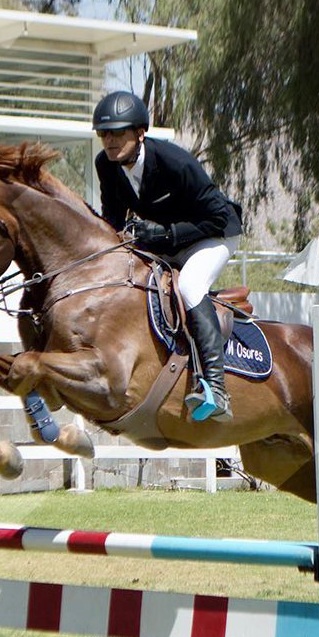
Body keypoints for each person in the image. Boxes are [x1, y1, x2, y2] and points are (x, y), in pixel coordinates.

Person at [93, 91, 242, 422]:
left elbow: (217, 217)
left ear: (140, 133)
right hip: (167, 240)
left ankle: (216, 388)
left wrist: (165, 235)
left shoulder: (174, 162)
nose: (110, 141)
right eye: (104, 134)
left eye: (118, 132)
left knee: (190, 285)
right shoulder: (106, 165)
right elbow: (113, 218)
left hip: (214, 235)